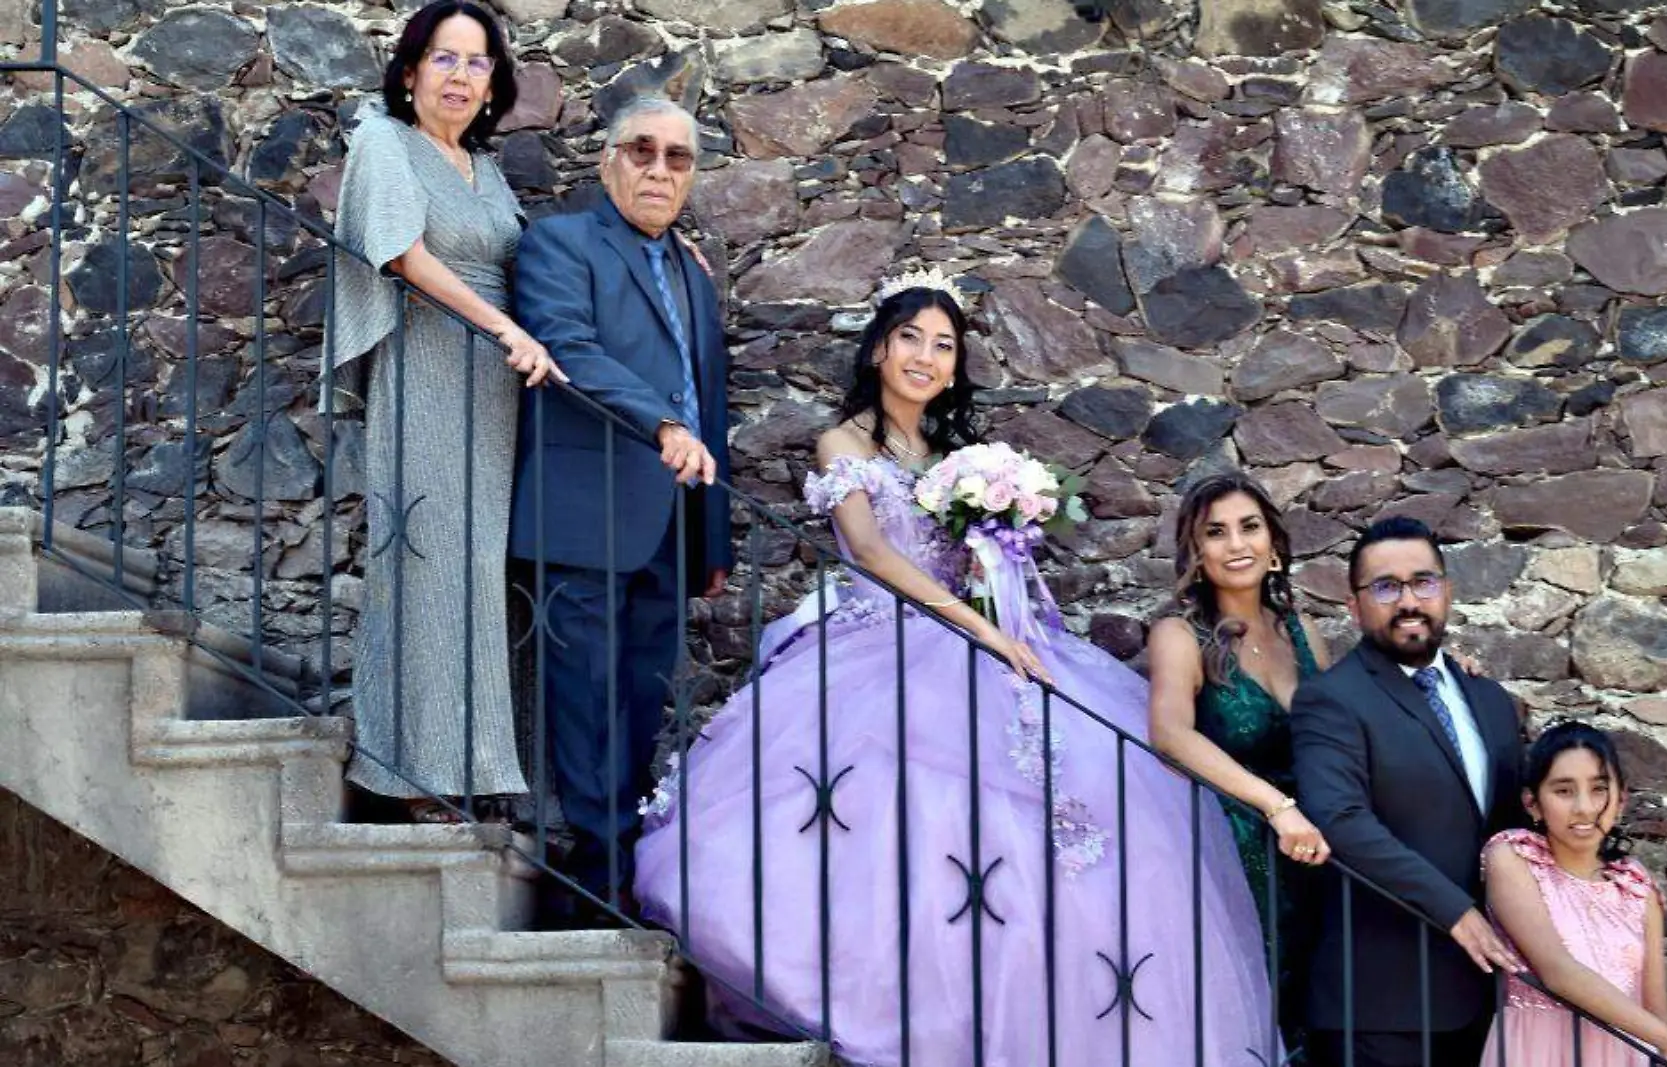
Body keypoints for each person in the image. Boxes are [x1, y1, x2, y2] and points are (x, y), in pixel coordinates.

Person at [634, 277, 1279, 1066]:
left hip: (978, 635)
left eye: (943, 345)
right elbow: (870, 550)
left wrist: (999, 558)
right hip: (879, 641)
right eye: (911, 337)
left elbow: (979, 563)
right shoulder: (845, 442)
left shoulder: (959, 460)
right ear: (879, 348)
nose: (926, 356)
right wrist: (975, 625)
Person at [331, 0, 561, 822]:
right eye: (445, 58)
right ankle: (411, 773)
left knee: (489, 575)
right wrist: (504, 328)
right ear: (409, 70)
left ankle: (484, 765)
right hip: (429, 369)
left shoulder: (485, 170)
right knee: (429, 563)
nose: (461, 76)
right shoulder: (383, 141)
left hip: (499, 390)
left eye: (478, 62)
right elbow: (401, 253)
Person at [508, 95, 731, 919]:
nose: (660, 169)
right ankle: (595, 881)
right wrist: (662, 423)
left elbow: (710, 398)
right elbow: (567, 347)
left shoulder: (691, 272)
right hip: (584, 512)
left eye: (679, 158)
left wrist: (712, 533)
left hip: (671, 528)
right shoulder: (559, 243)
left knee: (642, 702)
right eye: (643, 150)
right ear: (609, 160)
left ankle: (628, 867)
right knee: (587, 699)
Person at [1290, 516, 1527, 1067]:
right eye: (1385, 587)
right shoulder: (1331, 700)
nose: (1408, 601)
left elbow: (1514, 827)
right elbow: (1340, 819)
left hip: (1484, 998)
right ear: (1355, 606)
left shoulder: (1489, 699)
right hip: (1379, 1009)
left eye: (1423, 581)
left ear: (1446, 590)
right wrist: (1458, 912)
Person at [1146, 471, 1332, 1050]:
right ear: (1197, 553)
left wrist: (1433, 677)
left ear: (1273, 544)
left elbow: (1347, 724)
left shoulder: (1302, 631)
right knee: (1250, 1012)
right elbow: (1169, 734)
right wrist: (1275, 807)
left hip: (1311, 848)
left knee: (1315, 1002)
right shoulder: (1180, 634)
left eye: (1249, 527)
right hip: (1231, 847)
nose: (1236, 544)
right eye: (1216, 532)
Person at [1481, 722, 1667, 1067]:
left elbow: (1655, 1007)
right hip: (1538, 1051)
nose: (1584, 808)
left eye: (1599, 789)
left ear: (1621, 800)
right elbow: (1556, 970)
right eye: (1564, 791)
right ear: (1533, 803)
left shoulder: (1635, 887)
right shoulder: (1514, 858)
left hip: (1623, 1054)